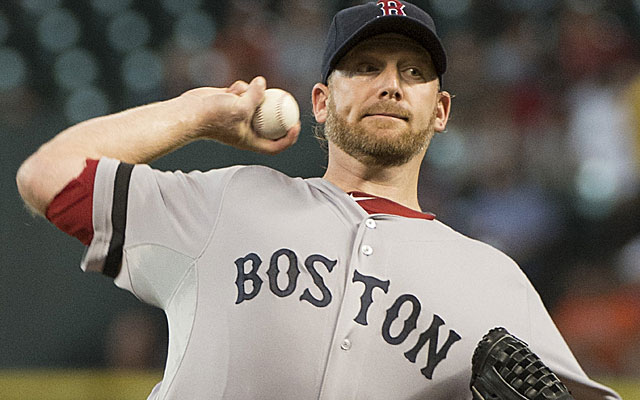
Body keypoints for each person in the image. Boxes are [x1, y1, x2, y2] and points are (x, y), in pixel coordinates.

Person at [16, 1, 620, 399]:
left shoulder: (497, 282)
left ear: (440, 113)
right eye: (365, 65)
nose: (389, 83)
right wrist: (199, 113)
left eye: (413, 72)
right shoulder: (228, 200)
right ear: (321, 104)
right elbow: (48, 175)